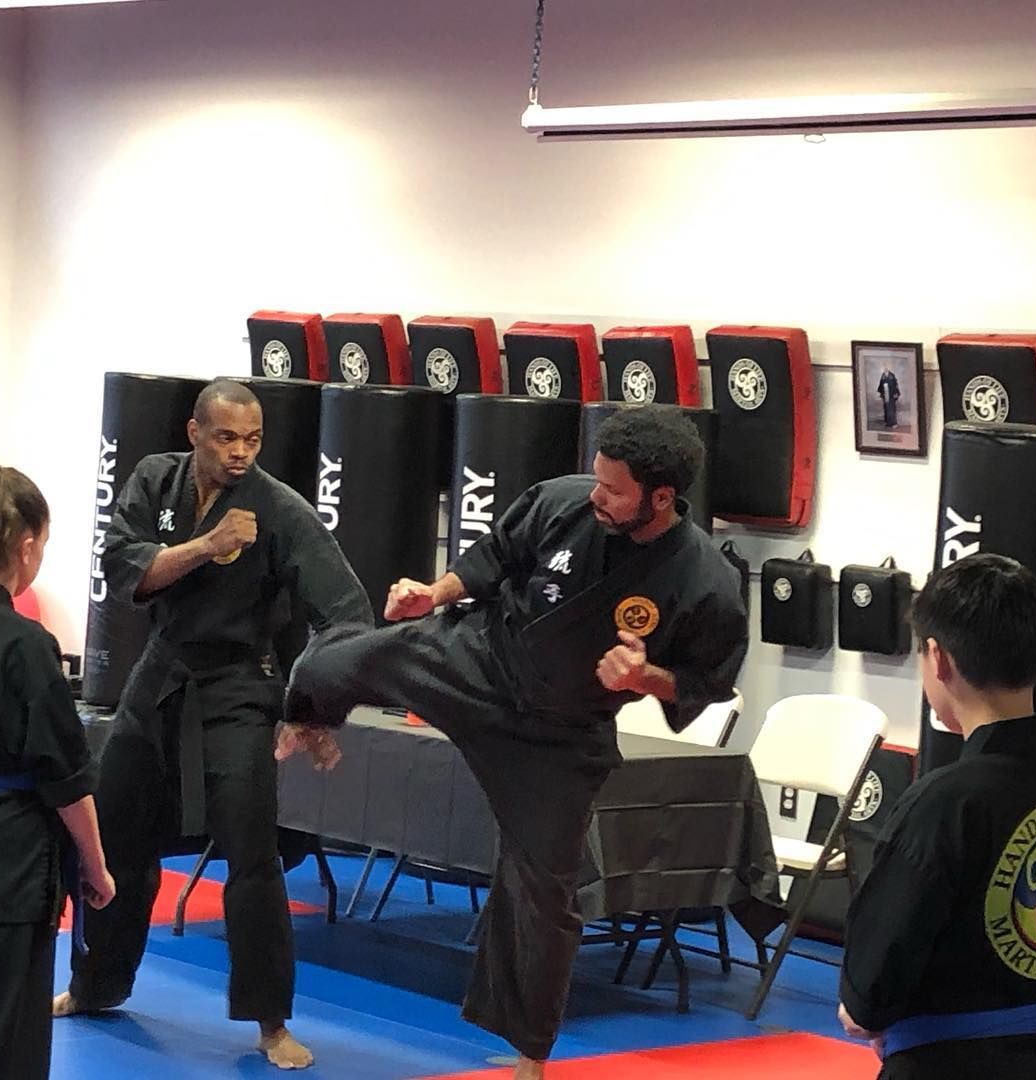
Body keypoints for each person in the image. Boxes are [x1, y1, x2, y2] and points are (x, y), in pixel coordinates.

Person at [277, 404, 750, 1080]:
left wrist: (650, 678)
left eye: (613, 489)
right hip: (477, 659)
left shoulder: (706, 582)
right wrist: (432, 595)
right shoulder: (562, 502)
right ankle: (311, 718)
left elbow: (707, 682)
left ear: (662, 497)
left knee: (544, 889)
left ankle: (531, 1053)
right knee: (335, 661)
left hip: (558, 735)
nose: (597, 496)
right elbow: (495, 557)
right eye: (597, 479)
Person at [54, 380, 373, 1070]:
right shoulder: (154, 478)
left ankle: (270, 1022)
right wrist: (209, 544)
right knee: (114, 835)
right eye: (226, 437)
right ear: (195, 431)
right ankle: (95, 983)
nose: (239, 453)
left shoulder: (280, 510)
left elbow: (348, 611)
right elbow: (123, 565)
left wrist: (312, 705)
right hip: (162, 668)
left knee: (251, 852)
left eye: (252, 440)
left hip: (241, 682)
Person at [838, 553, 1036, 1078]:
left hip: (940, 1063)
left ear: (938, 660)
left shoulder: (945, 801)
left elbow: (867, 994)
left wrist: (864, 1007)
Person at [0, 455, 116, 1080]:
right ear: (26, 544)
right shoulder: (24, 647)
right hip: (6, 867)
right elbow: (66, 777)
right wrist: (94, 865)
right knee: (8, 1033)